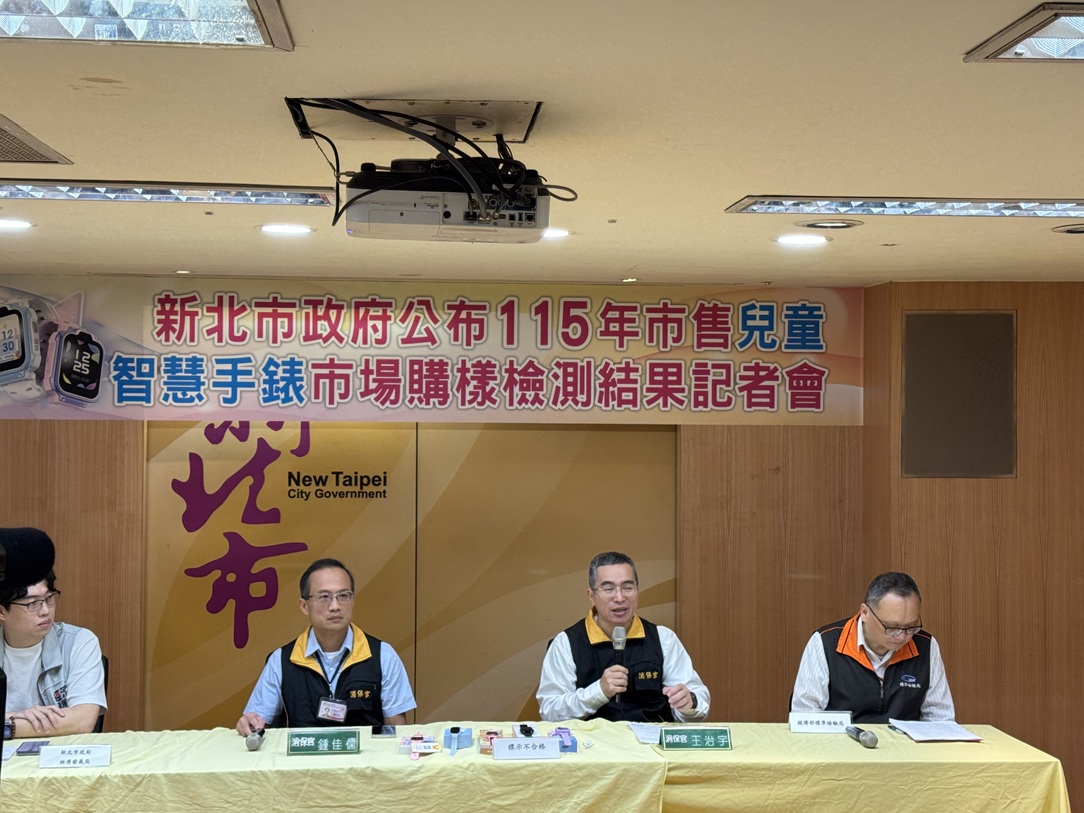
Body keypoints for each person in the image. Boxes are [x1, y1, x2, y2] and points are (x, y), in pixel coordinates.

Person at [236, 557, 415, 736]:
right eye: (324, 597)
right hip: (303, 754)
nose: (335, 606)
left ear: (352, 601)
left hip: (364, 755)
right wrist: (250, 724)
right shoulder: (281, 660)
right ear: (304, 606)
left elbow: (396, 732)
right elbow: (256, 724)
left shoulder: (383, 656)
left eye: (343, 596)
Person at [537, 551, 710, 723]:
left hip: (650, 739)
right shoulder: (566, 643)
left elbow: (698, 702)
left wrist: (689, 703)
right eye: (608, 589)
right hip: (590, 740)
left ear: (637, 591)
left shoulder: (663, 639)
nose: (619, 598)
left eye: (628, 588)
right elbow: (550, 711)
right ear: (592, 596)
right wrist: (599, 691)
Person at [790, 571, 955, 723]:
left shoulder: (926, 646)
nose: (902, 636)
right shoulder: (826, 642)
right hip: (842, 743)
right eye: (891, 627)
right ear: (865, 613)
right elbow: (804, 716)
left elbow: (941, 719)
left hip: (904, 744)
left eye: (911, 627)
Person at [0, 527, 107, 739]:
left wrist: (8, 725)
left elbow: (83, 719)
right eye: (32, 603)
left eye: (49, 598)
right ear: (2, 611)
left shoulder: (79, 642)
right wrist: (17, 716)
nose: (45, 610)